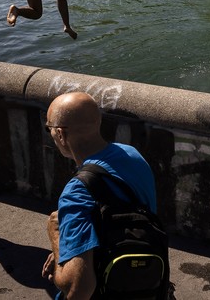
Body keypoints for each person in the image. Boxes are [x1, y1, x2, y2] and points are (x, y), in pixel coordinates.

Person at [41, 92, 157, 299]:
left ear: (60, 134)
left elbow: (80, 290)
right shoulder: (131, 155)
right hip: (147, 279)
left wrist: (57, 239)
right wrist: (71, 248)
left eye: (48, 128)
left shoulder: (75, 193)